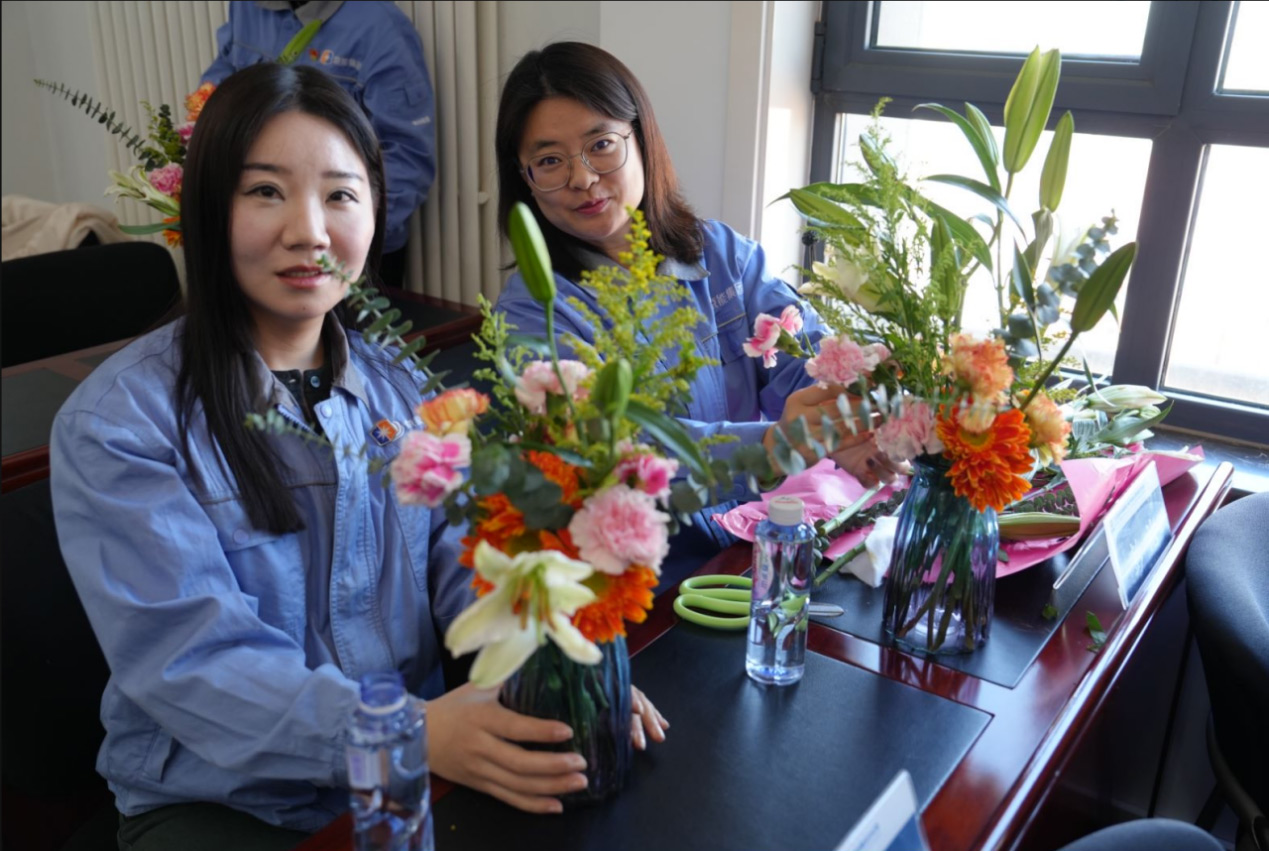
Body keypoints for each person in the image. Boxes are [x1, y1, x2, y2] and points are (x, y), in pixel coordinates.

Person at [51, 64, 665, 851]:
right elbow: (194, 664)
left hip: (423, 759)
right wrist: (404, 731)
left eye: (340, 194)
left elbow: (465, 562)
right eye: (265, 191)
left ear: (374, 211)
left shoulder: (403, 388)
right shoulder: (118, 422)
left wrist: (556, 666)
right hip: (225, 801)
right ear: (207, 209)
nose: (308, 230)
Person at [493, 42, 901, 584]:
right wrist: (773, 448)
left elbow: (805, 358)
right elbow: (615, 454)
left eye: (601, 145)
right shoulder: (532, 316)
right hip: (639, 583)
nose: (583, 178)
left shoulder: (721, 254)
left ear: (642, 139)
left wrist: (853, 416)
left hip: (749, 547)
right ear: (523, 178)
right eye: (549, 161)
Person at [201, 1, 436, 288]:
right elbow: (223, 75)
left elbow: (407, 157)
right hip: (258, 234)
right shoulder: (246, 6)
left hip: (346, 248)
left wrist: (345, 239)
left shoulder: (381, 28)